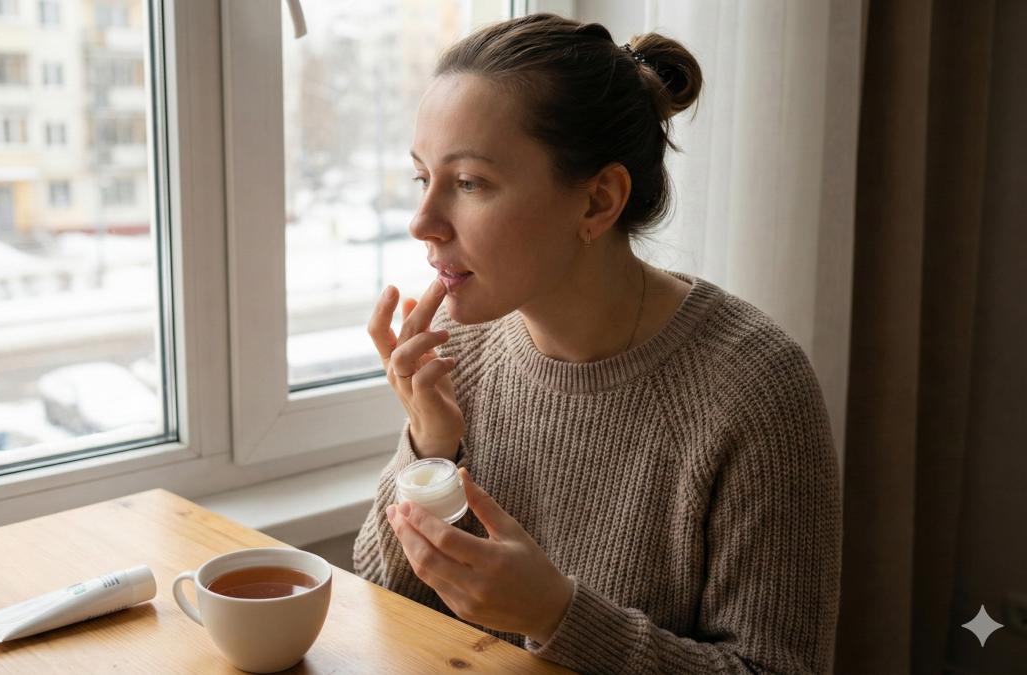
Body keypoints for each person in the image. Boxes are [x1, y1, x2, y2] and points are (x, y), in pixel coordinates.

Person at [352, 13, 841, 674]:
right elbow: (382, 594)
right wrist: (429, 447)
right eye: (423, 178)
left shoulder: (756, 388)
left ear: (598, 202)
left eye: (468, 183)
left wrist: (557, 614)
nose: (421, 221)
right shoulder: (460, 348)